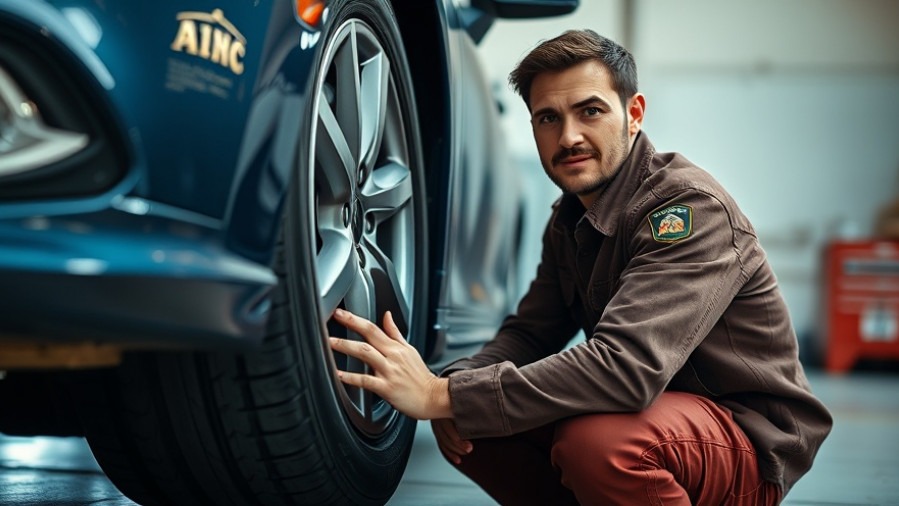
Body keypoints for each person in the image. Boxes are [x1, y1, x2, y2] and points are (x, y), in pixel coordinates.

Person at [328, 29, 832, 505]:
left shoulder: (687, 210)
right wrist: (461, 381)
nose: (569, 136)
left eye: (590, 111)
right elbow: (530, 334)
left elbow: (626, 369)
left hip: (743, 439)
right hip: (657, 417)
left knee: (598, 443)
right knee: (475, 429)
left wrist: (443, 393)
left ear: (634, 113)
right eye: (548, 118)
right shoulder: (571, 217)